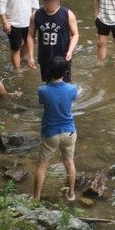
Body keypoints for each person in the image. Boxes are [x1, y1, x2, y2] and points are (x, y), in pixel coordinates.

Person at [33, 55, 79, 202]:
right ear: (66, 72)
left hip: (51, 133)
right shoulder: (73, 89)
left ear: (48, 71)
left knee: (42, 165)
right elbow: (72, 99)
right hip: (69, 131)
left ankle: (36, 198)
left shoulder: (42, 90)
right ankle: (71, 194)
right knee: (69, 163)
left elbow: (43, 103)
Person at [27, 0, 79, 83]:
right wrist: (31, 56)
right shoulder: (36, 15)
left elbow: (75, 34)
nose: (51, 4)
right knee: (48, 82)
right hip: (45, 56)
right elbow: (30, 36)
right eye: (48, 2)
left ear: (58, 0)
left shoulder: (67, 14)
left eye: (53, 1)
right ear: (44, 1)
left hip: (63, 56)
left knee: (65, 83)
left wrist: (70, 51)